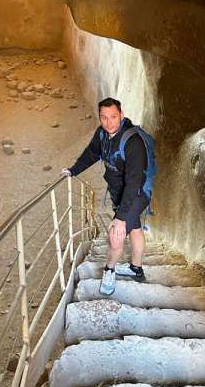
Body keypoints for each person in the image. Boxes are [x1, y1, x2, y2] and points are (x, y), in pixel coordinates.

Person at [62, 97, 150, 295]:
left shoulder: (133, 142)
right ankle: (137, 269)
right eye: (104, 117)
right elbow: (92, 153)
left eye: (113, 117)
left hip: (137, 192)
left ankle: (109, 270)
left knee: (115, 234)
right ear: (100, 117)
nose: (109, 122)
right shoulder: (103, 134)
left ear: (122, 115)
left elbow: (134, 182)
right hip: (120, 191)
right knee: (134, 227)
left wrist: (120, 218)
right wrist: (73, 170)